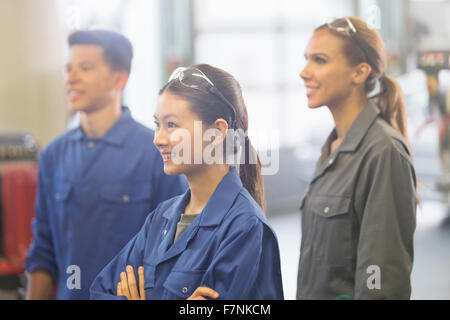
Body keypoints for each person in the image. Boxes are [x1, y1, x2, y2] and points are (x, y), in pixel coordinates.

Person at [89, 64, 284, 300]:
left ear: (217, 132)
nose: (158, 139)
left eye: (172, 125)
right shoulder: (161, 218)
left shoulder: (244, 227)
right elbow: (100, 291)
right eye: (157, 125)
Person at [25, 30, 187, 300]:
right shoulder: (53, 156)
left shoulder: (157, 153)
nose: (71, 78)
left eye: (85, 68)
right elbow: (43, 251)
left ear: (119, 79)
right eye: (69, 69)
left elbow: (178, 251)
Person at [297, 17, 416, 299]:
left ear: (360, 72)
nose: (304, 72)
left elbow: (382, 280)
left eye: (320, 60)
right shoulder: (333, 148)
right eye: (306, 59)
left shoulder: (383, 152)